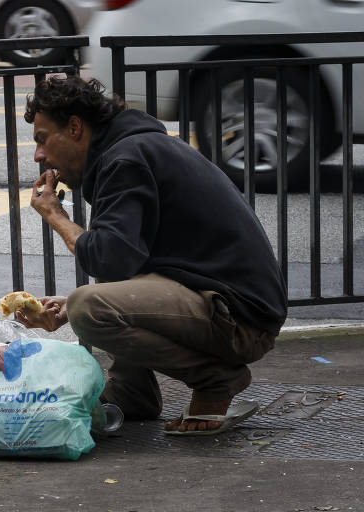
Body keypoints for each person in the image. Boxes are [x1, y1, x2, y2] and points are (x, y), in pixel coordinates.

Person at [15, 75, 287, 435]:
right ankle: (131, 391)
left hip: (239, 317)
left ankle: (216, 380)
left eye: (42, 139)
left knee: (89, 305)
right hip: (224, 301)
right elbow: (125, 261)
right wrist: (71, 306)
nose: (39, 156)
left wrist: (55, 215)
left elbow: (107, 258)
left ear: (76, 128)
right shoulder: (131, 150)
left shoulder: (125, 159)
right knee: (91, 295)